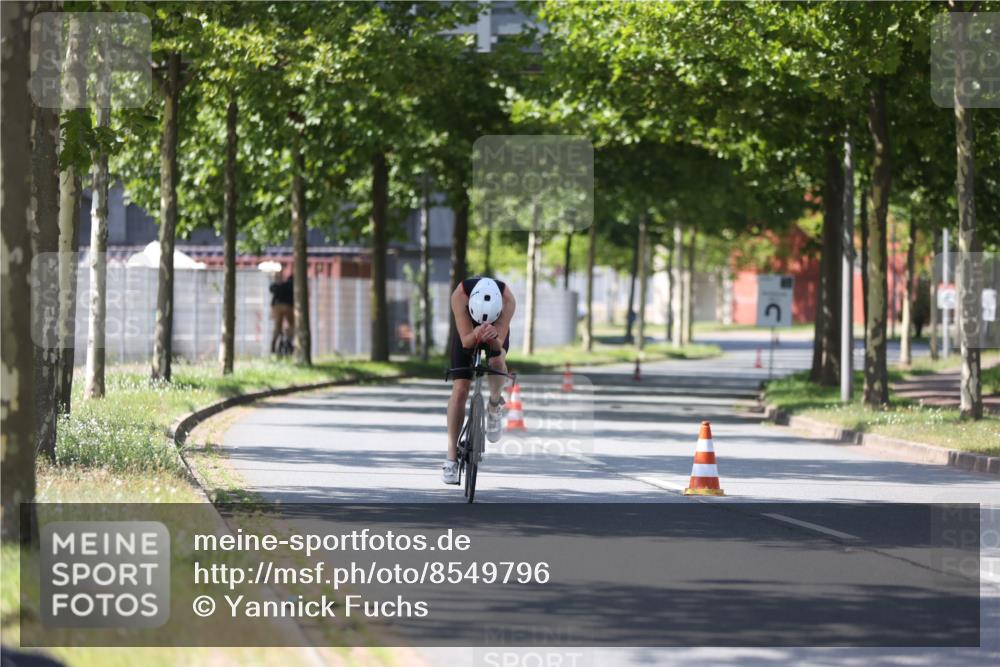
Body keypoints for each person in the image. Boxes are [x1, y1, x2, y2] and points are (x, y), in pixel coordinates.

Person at [443, 276, 516, 484]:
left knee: (497, 361)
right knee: (460, 389)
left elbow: (499, 345)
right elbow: (466, 341)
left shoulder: (508, 299)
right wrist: (474, 333)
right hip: (467, 328)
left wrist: (493, 337)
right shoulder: (459, 295)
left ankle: (494, 406)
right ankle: (451, 458)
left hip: (497, 332)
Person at [269, 270, 294, 354]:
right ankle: (288, 338)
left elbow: (273, 296)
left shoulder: (280, 285)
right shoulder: (293, 286)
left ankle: (273, 345)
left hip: (277, 306)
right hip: (288, 307)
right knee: (293, 325)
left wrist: (272, 310)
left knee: (277, 327)